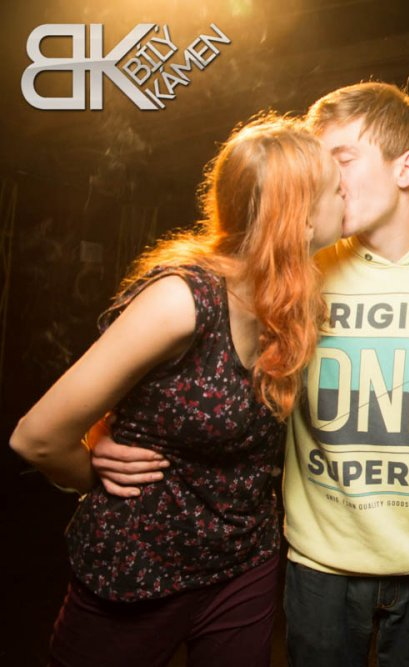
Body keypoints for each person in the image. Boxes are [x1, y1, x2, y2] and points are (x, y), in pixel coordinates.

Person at [91, 82, 409, 667]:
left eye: (342, 158)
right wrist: (105, 428)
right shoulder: (298, 267)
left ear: (407, 167)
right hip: (318, 560)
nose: (327, 180)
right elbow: (210, 370)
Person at [9, 114, 344, 667]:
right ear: (299, 216)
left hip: (243, 563)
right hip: (138, 571)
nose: (346, 196)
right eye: (336, 189)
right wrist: (93, 473)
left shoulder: (290, 301)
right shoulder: (181, 300)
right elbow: (37, 437)